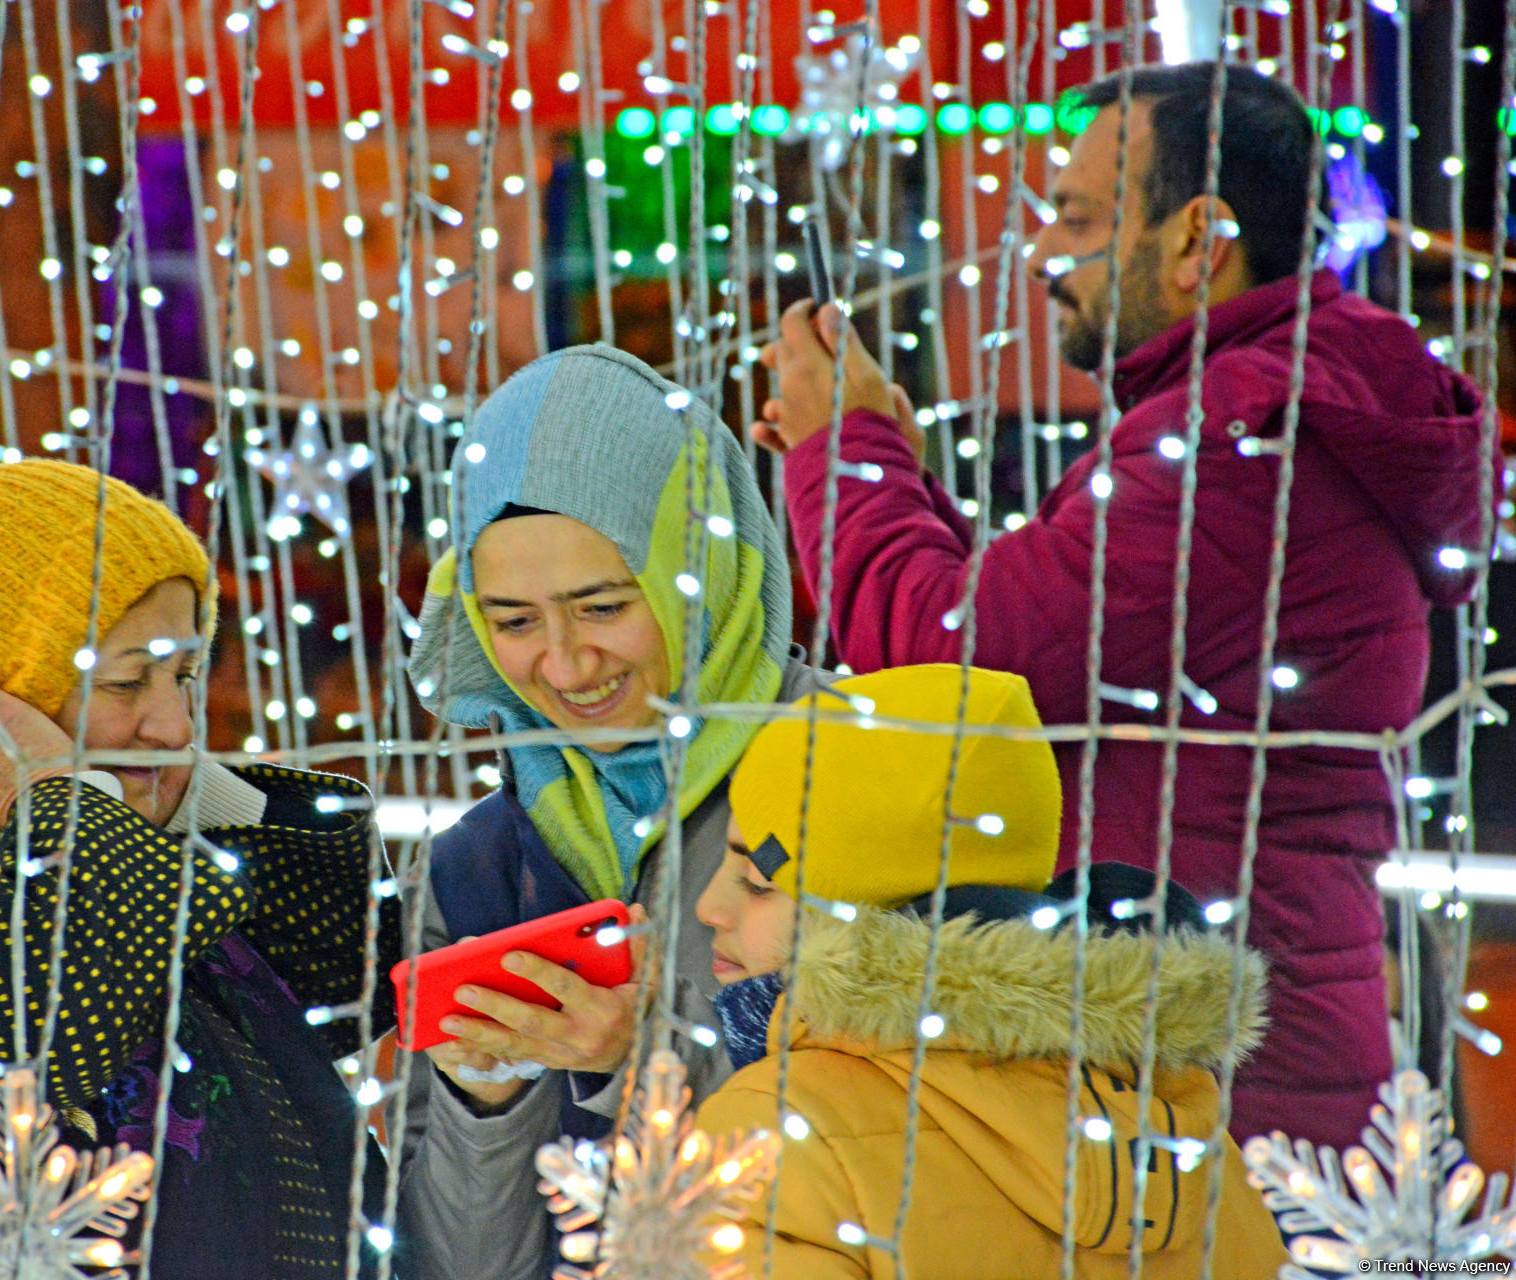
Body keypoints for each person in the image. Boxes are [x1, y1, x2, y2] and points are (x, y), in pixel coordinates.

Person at [749, 61, 1496, 1148]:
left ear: (1200, 239)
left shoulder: (1242, 434)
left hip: (1217, 1087)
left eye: (1078, 218)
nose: (1042, 256)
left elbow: (957, 657)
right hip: (1218, 1048)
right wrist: (885, 472)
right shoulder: (1260, 408)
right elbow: (1049, 649)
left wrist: (843, 450)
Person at [0, 460, 397, 1278]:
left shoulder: (122, 855)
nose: (174, 725)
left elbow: (347, 969)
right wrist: (59, 797)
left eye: (184, 675)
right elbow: (44, 1027)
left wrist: (198, 800)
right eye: (127, 681)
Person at [396, 344, 825, 1280]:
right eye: (514, 621)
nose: (564, 664)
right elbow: (463, 1270)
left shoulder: (852, 775)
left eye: (600, 607)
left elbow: (903, 1170)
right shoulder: (472, 873)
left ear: (699, 569)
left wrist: (644, 1059)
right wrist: (486, 1106)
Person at [692, 664, 1289, 1278]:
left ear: (863, 917)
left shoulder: (776, 1128)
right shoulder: (1180, 1115)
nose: (708, 907)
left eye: (757, 882)